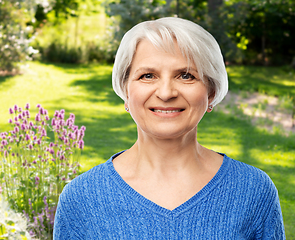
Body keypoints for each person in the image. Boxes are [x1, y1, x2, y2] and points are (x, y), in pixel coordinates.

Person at [53, 17, 285, 239]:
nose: (166, 93)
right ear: (125, 91)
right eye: (148, 76)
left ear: (211, 92)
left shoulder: (254, 190)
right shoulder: (81, 198)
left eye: (186, 76)